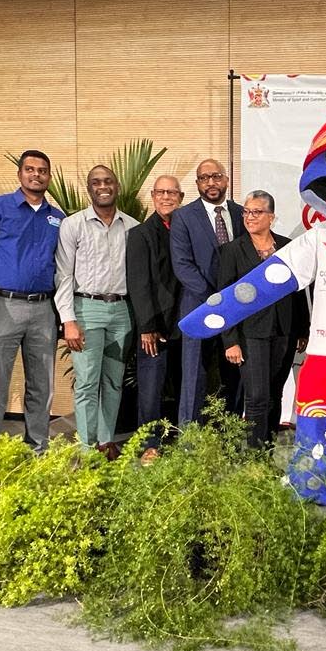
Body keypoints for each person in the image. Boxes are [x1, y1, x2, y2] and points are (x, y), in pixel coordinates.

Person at [0, 150, 64, 450]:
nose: (36, 175)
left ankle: (38, 448)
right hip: (0, 306)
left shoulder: (57, 218)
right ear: (20, 174)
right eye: (30, 169)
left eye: (43, 170)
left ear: (49, 176)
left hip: (44, 310)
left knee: (41, 384)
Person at [54, 165, 139, 456]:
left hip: (121, 314)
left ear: (117, 186)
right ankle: (87, 446)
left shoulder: (132, 226)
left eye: (108, 181)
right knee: (88, 383)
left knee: (114, 382)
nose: (103, 186)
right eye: (96, 182)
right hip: (86, 310)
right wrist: (68, 320)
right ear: (89, 188)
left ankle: (105, 440)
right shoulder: (73, 225)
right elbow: (63, 275)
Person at [217, 190, 309, 448]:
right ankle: (254, 457)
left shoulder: (288, 246)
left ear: (272, 217)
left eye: (256, 212)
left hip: (285, 331)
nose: (249, 217)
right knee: (256, 397)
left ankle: (266, 455)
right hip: (250, 334)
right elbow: (224, 299)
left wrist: (303, 328)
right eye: (246, 211)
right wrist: (230, 340)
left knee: (273, 395)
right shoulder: (232, 251)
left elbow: (298, 289)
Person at [170, 159, 246, 424]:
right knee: (194, 378)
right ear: (197, 184)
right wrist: (217, 299)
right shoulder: (183, 216)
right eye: (204, 178)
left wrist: (231, 301)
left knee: (235, 378)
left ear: (226, 180)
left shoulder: (241, 213)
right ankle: (189, 443)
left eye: (216, 176)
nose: (211, 183)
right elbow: (182, 265)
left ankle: (229, 439)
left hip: (236, 312)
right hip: (198, 307)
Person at [126, 174, 185, 463]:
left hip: (184, 324)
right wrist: (146, 326)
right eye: (161, 192)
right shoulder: (141, 234)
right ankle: (148, 444)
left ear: (181, 198)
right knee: (150, 389)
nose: (166, 197)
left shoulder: (186, 230)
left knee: (184, 387)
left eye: (172, 193)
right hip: (155, 326)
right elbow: (138, 283)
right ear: (152, 196)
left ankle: (179, 440)